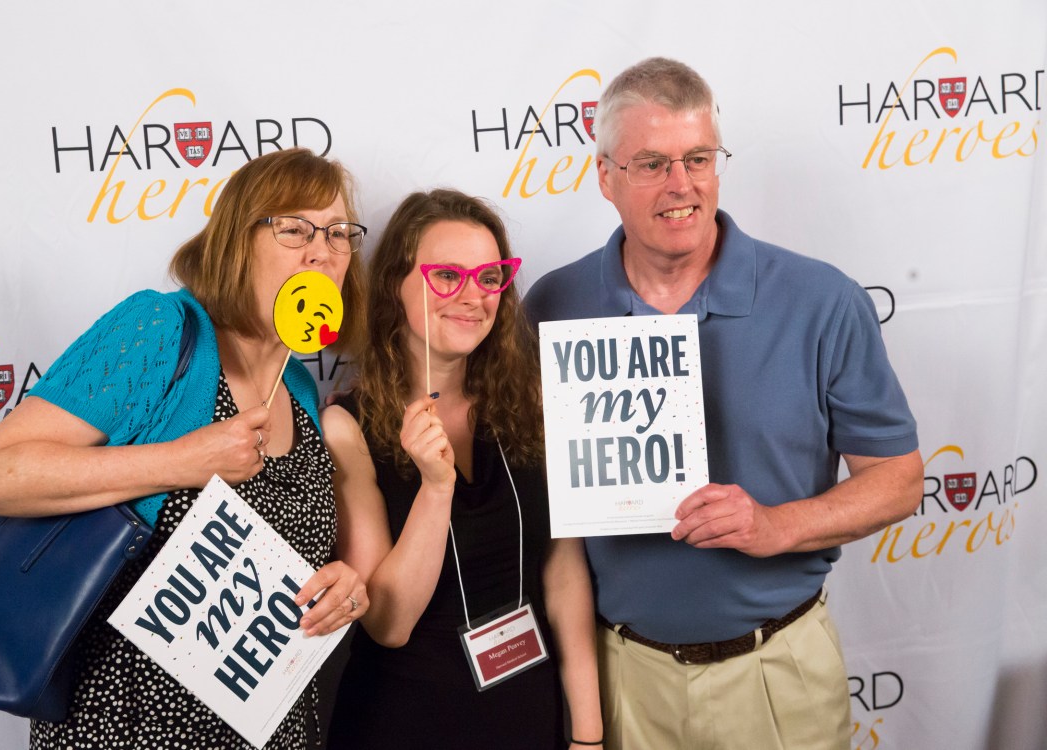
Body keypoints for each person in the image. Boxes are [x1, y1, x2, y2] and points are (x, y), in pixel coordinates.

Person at [524, 58, 923, 750]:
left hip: (776, 673)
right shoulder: (554, 306)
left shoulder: (821, 299)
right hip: (623, 676)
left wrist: (777, 525)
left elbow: (900, 479)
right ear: (605, 177)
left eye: (698, 158)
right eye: (651, 163)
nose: (681, 186)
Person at [0, 147, 371, 750]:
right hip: (129, 725)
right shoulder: (160, 331)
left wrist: (343, 590)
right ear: (237, 241)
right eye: (293, 228)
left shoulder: (301, 387)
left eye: (338, 233)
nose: (322, 251)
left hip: (272, 730)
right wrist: (185, 461)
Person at [322, 189, 604, 749]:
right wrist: (435, 485)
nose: (473, 296)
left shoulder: (532, 404)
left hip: (526, 714)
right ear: (394, 286)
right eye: (446, 275)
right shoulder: (346, 427)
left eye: (490, 276)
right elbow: (388, 623)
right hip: (406, 721)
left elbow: (563, 572)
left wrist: (589, 733)